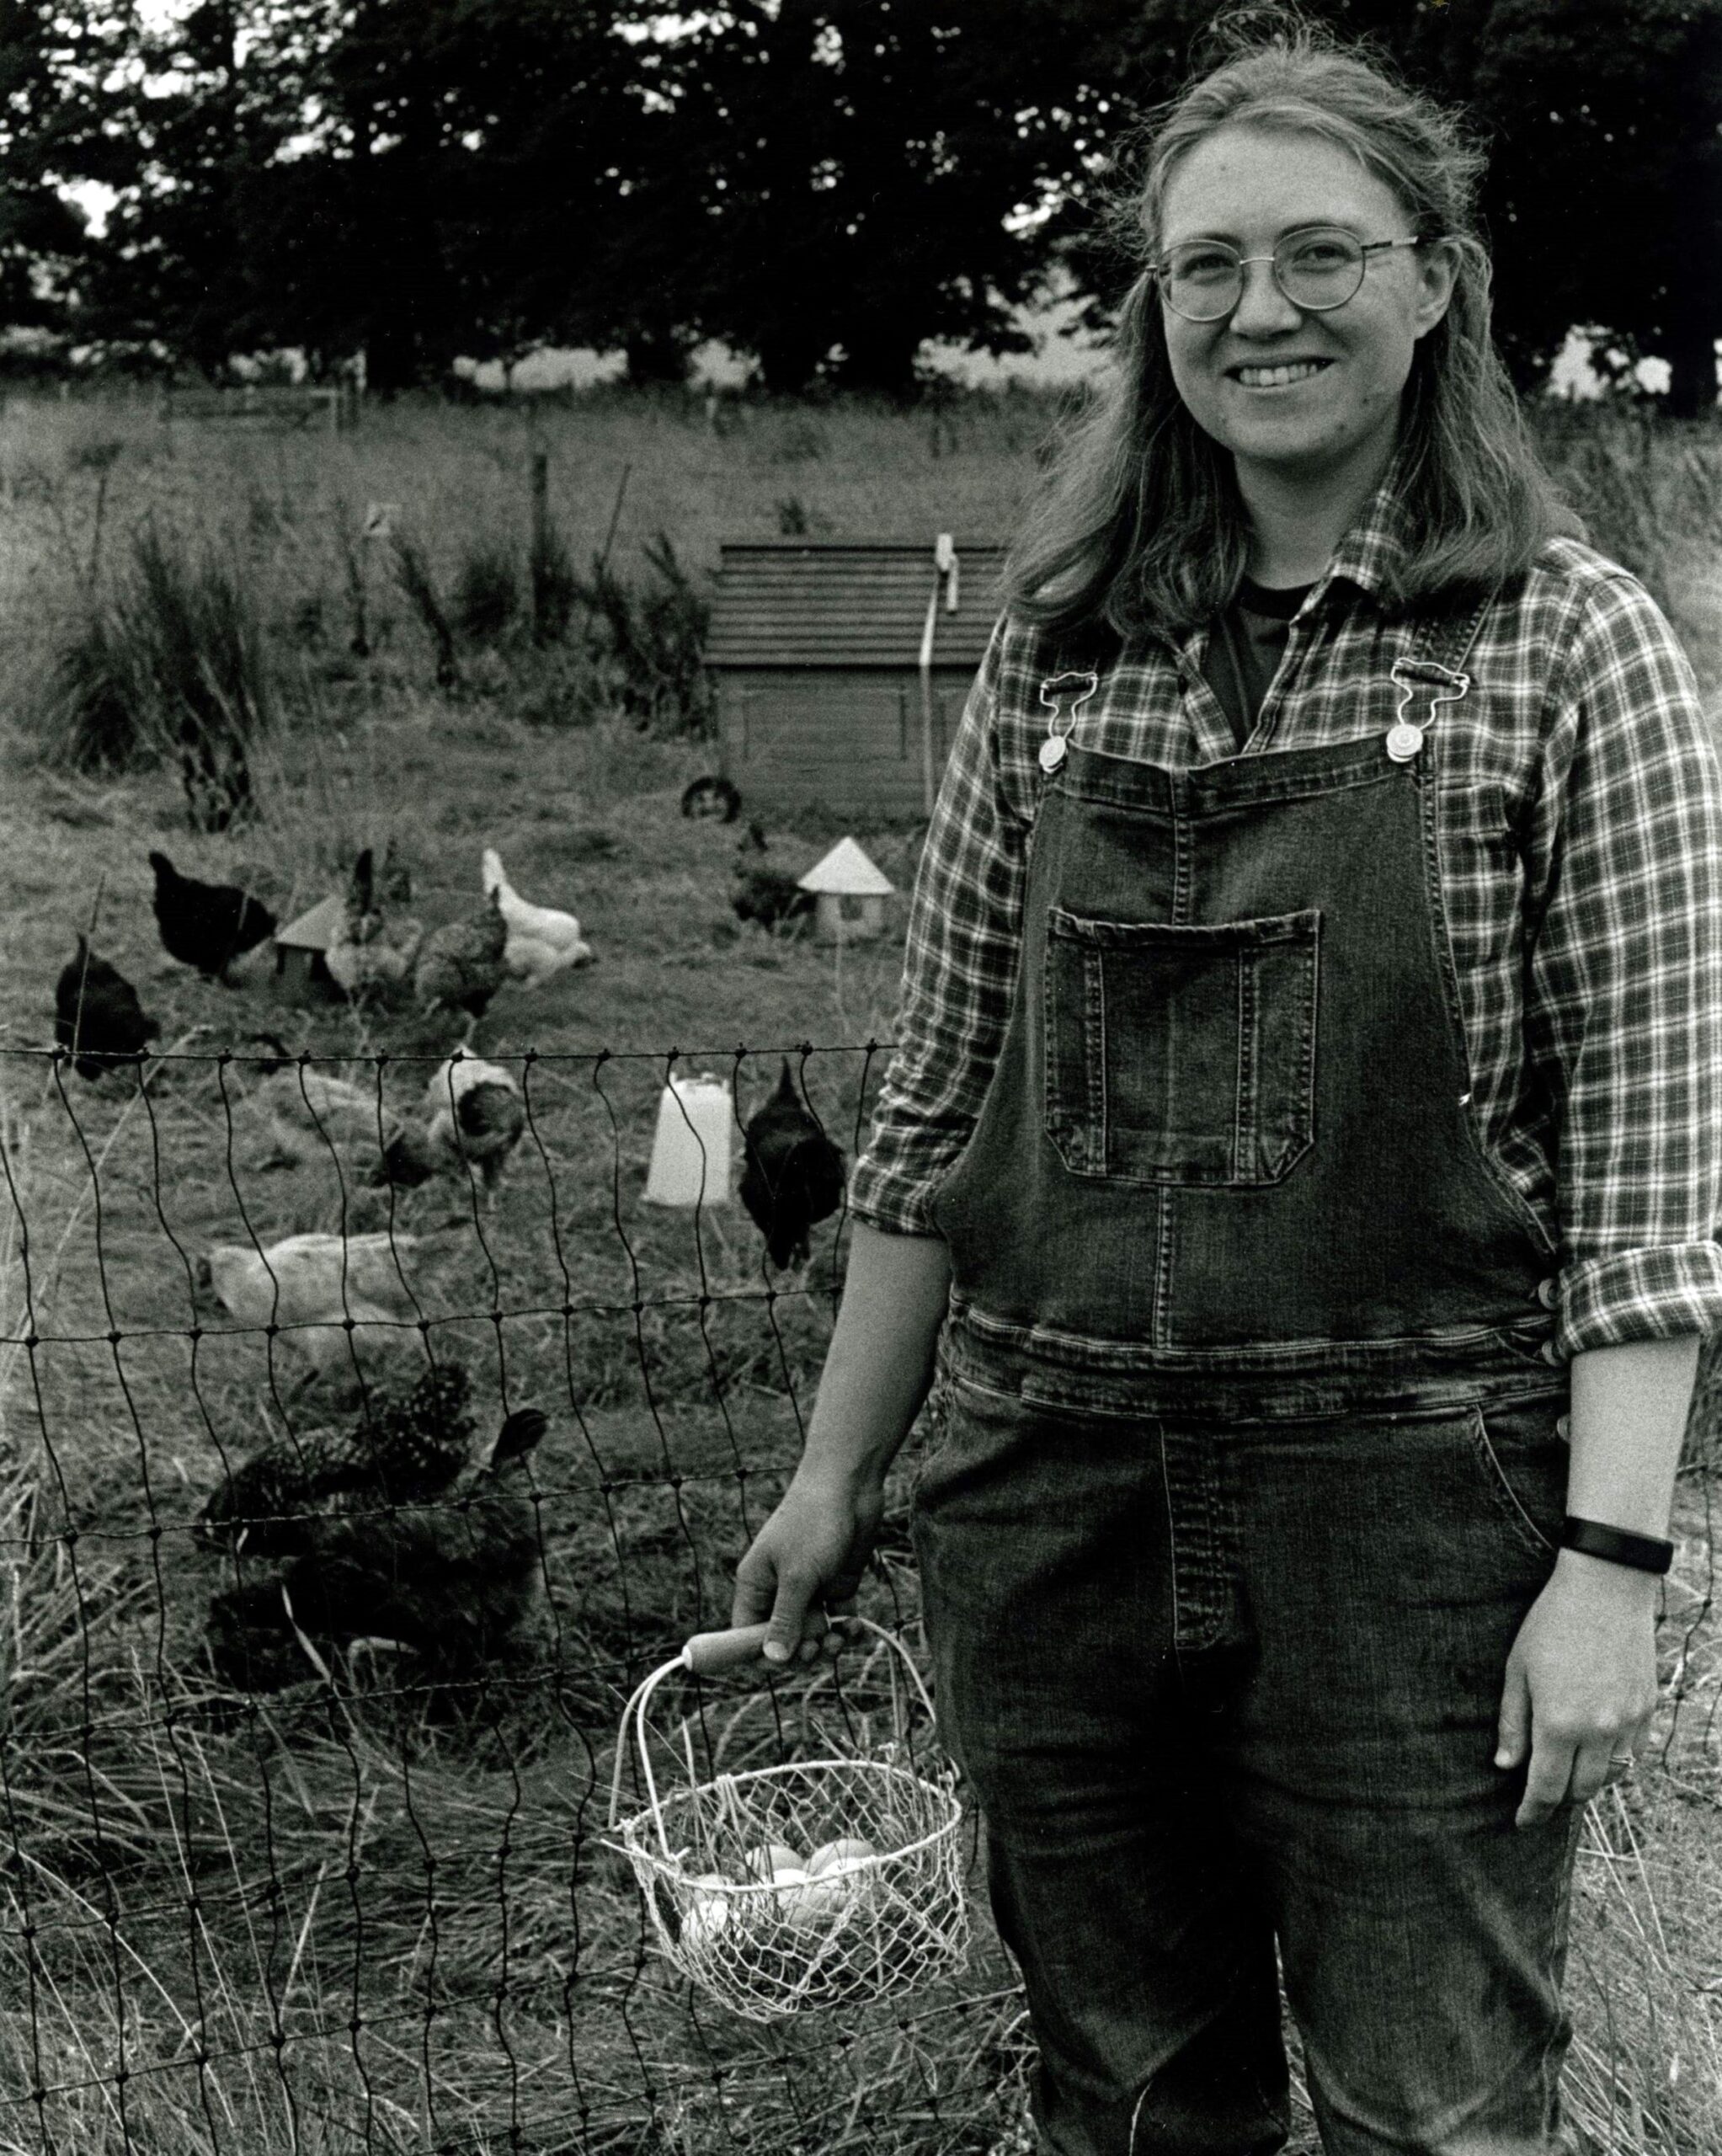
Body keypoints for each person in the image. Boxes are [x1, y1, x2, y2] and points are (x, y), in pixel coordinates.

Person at [732, 17, 1722, 2153]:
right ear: (1154, 306)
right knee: (1124, 2092)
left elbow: (1650, 1172)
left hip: (1413, 1517)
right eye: (1203, 267)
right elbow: (928, 1114)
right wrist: (837, 1477)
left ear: (1436, 280)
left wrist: (1611, 1566)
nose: (1255, 310)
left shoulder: (1576, 645)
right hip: (1049, 1493)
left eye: (1318, 255)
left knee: (1430, 2108)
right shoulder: (1061, 647)